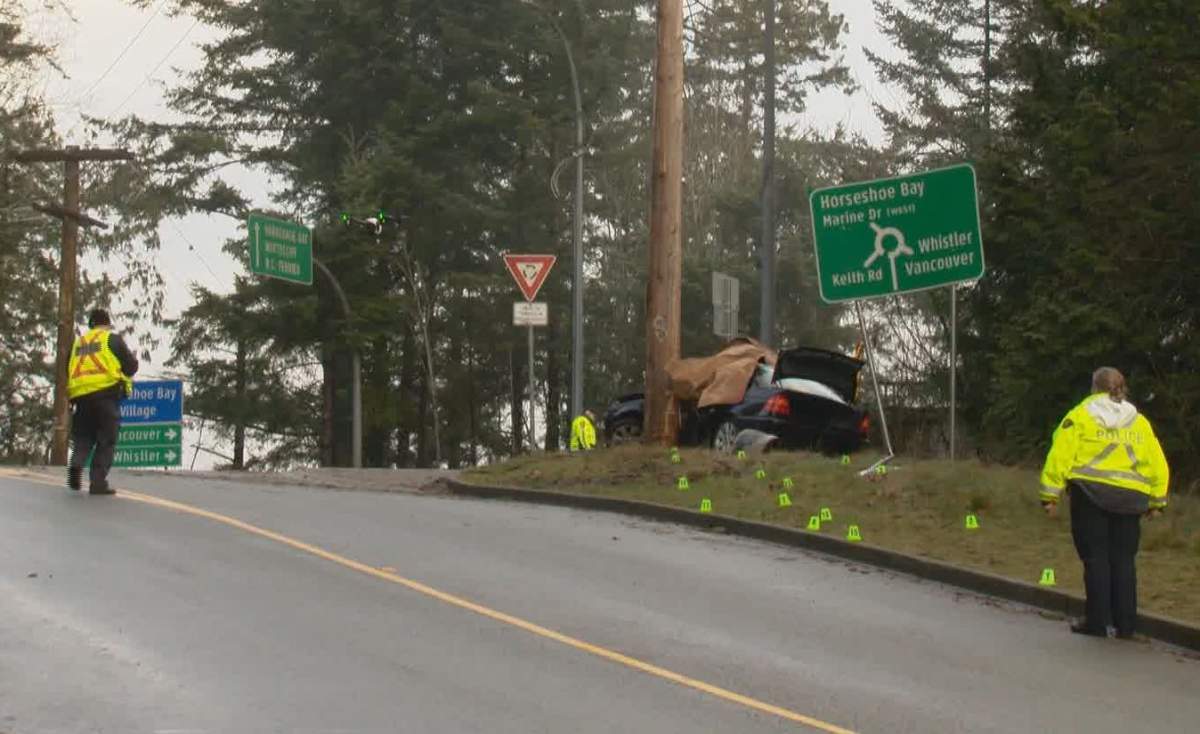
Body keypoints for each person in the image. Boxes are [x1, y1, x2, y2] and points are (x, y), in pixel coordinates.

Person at [1039, 367, 1169, 639]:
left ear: (1093, 388)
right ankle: (1126, 625)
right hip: (1131, 498)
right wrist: (1157, 500)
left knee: (1096, 558)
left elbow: (1061, 455)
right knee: (1124, 560)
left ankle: (1097, 622)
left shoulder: (1080, 416)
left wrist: (1050, 496)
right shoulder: (1139, 422)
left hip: (1091, 495)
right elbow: (1158, 463)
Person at [66, 308, 138, 495]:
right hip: (106, 396)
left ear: (90, 325)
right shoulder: (111, 339)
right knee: (106, 439)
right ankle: (97, 483)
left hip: (81, 398)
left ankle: (76, 465)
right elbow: (130, 367)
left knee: (84, 437)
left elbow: (68, 369)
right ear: (106, 324)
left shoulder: (78, 343)